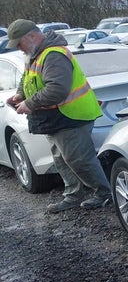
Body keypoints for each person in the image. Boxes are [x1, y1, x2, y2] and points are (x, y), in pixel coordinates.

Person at [5, 19, 111, 214]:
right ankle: (73, 195)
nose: (19, 49)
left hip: (72, 115)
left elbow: (57, 89)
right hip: (54, 117)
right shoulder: (34, 53)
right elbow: (26, 77)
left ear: (32, 36)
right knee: (61, 158)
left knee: (79, 158)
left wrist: (29, 103)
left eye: (19, 43)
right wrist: (21, 93)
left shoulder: (53, 55)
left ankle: (104, 193)